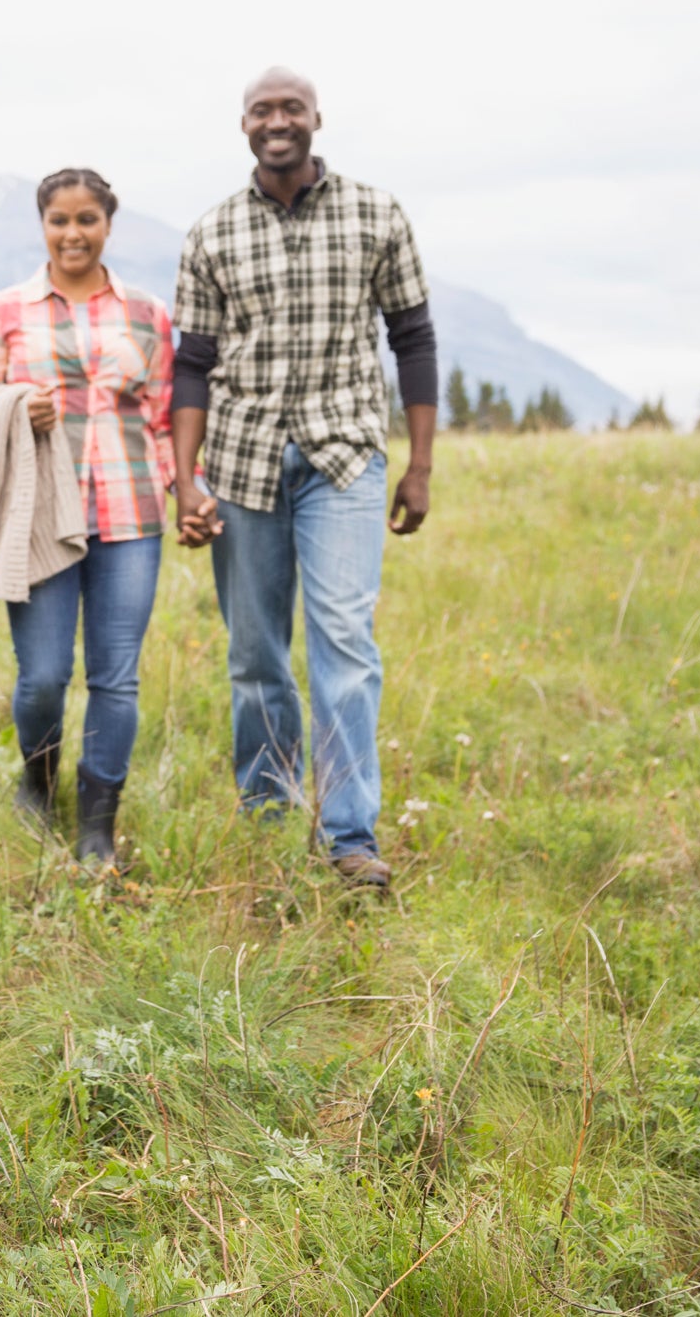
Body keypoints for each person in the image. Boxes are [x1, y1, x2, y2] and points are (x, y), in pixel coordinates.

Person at [169, 68, 439, 891]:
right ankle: (270, 817)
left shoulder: (376, 213)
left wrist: (421, 465)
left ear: (316, 119)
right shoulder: (212, 231)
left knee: (345, 646)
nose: (277, 120)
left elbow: (414, 340)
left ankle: (350, 840)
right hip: (243, 463)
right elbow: (191, 365)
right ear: (243, 125)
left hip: (345, 459)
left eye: (291, 108)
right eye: (262, 110)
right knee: (255, 657)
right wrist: (185, 481)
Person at [0, 168, 175, 867]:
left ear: (107, 223)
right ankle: (38, 777)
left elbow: (164, 415)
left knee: (116, 676)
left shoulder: (146, 313)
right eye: (59, 220)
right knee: (44, 675)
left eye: (87, 219)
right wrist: (19, 401)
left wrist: (184, 491)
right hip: (39, 516)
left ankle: (96, 827)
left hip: (128, 510)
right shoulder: (6, 310)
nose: (73, 233)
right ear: (42, 225)